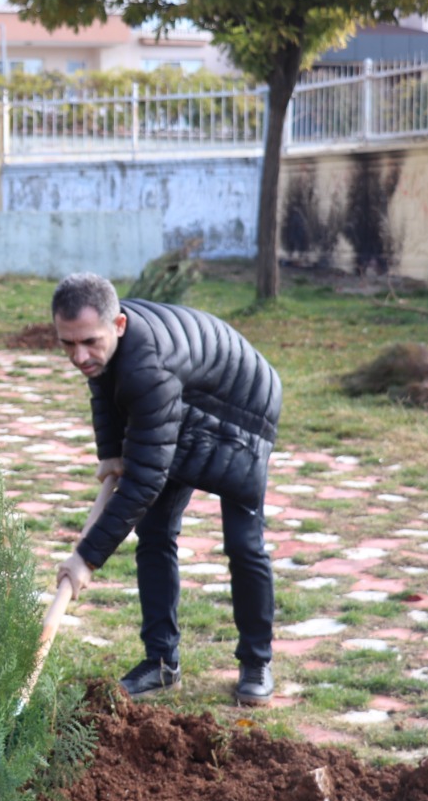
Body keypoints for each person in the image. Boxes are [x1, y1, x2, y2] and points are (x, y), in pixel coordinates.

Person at [51, 272, 282, 706]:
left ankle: (257, 661)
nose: (79, 356)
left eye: (89, 342)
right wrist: (110, 451)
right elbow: (103, 386)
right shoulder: (108, 344)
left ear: (118, 325)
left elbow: (143, 484)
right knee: (155, 534)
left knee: (243, 543)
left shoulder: (149, 369)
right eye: (68, 344)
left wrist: (85, 559)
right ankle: (161, 663)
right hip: (188, 396)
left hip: (244, 409)